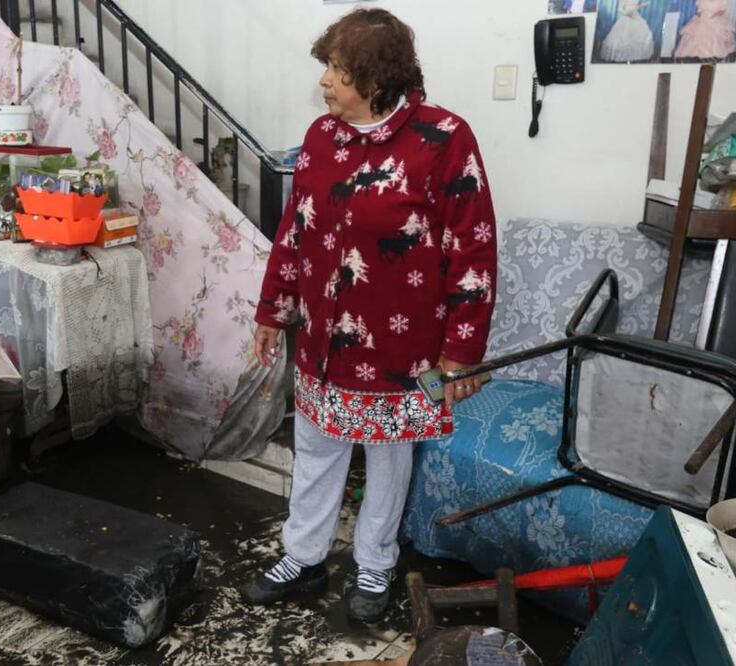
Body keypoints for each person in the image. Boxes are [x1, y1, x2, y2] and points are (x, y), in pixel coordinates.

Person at [240, 8, 497, 623]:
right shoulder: (320, 137)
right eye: (327, 66)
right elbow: (294, 230)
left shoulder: (444, 139)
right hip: (325, 340)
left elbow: (474, 248)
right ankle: (302, 558)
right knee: (318, 448)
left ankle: (376, 564)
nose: (324, 80)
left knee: (389, 457)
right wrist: (273, 311)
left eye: (337, 69)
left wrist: (461, 352)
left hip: (408, 351)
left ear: (376, 79)